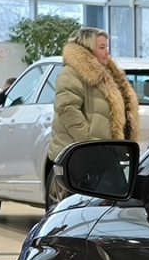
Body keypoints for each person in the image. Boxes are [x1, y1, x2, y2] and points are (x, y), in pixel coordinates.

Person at [49, 27, 138, 204]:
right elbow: (67, 110)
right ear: (87, 50)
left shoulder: (108, 75)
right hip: (80, 156)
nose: (107, 52)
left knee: (114, 200)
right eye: (102, 47)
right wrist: (90, 141)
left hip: (102, 153)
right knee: (88, 206)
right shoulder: (71, 74)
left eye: (107, 47)